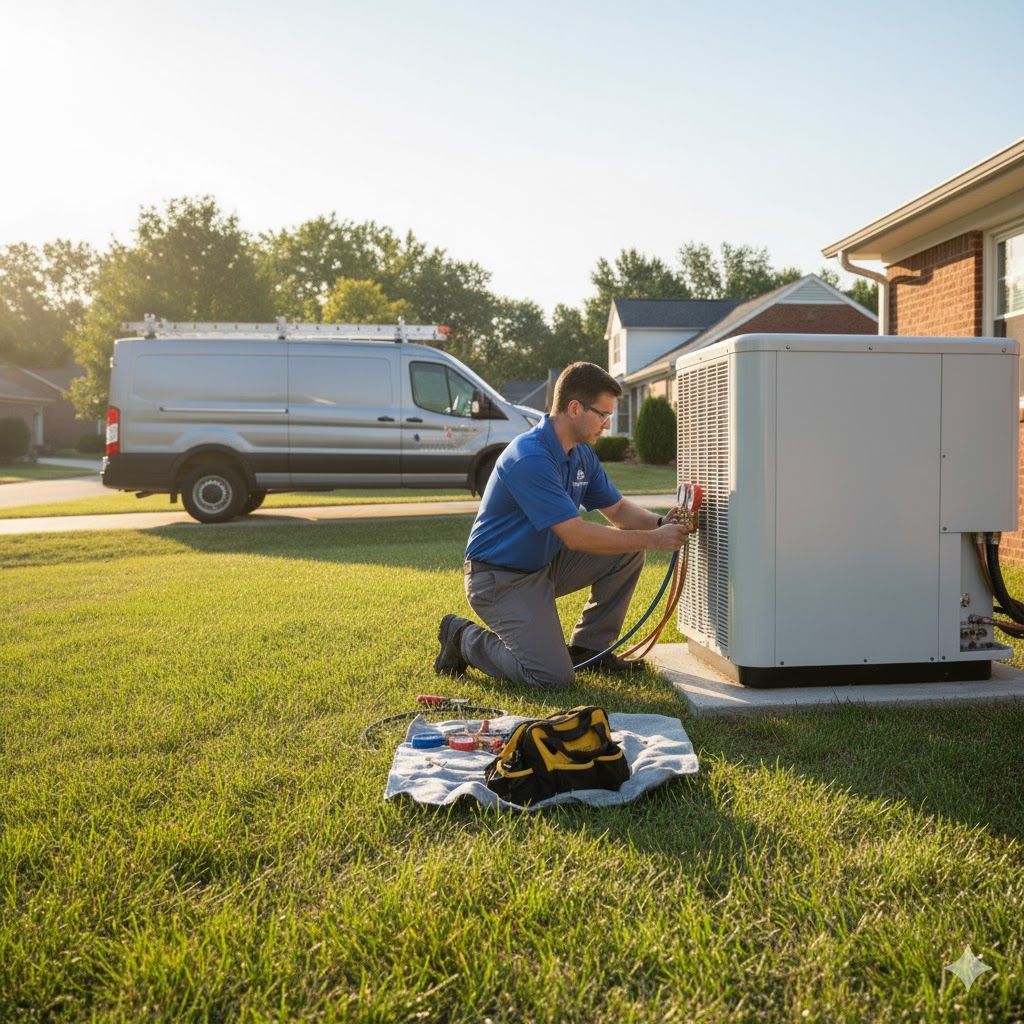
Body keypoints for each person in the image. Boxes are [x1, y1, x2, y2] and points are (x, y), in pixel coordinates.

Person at [434, 361, 692, 690]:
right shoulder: (530, 457)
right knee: (550, 677)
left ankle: (591, 649)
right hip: (499, 578)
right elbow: (574, 534)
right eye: (602, 414)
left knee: (627, 552)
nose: (607, 423)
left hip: (545, 565)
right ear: (574, 408)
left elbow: (618, 510)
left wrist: (659, 523)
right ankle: (462, 637)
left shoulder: (580, 454)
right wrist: (654, 539)